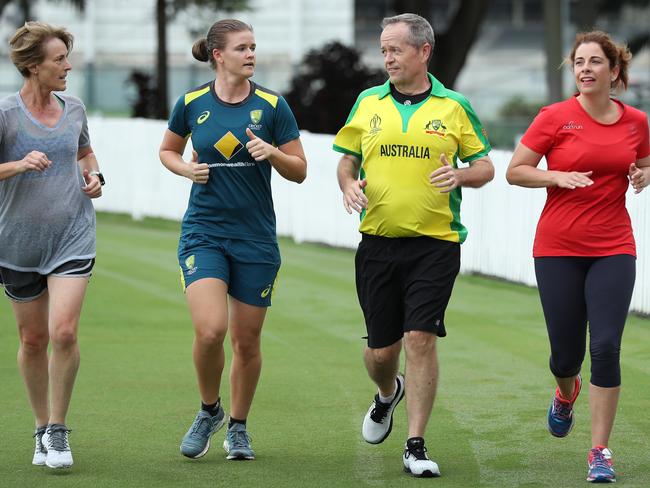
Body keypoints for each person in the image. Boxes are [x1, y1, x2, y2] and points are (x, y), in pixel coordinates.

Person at [333, 13, 493, 478]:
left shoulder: (454, 106)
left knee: (420, 338)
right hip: (377, 243)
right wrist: (346, 185)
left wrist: (460, 174)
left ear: (424, 51)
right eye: (383, 50)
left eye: (395, 50)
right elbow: (346, 161)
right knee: (382, 353)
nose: (387, 59)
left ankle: (415, 444)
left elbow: (485, 166)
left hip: (435, 244)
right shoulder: (367, 102)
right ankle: (387, 393)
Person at [159, 19, 306, 461]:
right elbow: (167, 150)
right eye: (242, 48)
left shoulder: (272, 105)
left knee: (246, 341)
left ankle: (238, 427)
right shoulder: (190, 103)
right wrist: (186, 168)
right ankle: (209, 410)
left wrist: (273, 153)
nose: (251, 55)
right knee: (210, 331)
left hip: (256, 238)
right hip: (204, 231)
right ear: (218, 54)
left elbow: (300, 170)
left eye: (254, 47)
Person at [506, 31, 649, 484]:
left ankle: (600, 451)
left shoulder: (637, 121)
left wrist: (642, 174)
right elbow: (515, 171)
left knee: (605, 346)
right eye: (578, 62)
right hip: (557, 248)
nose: (584, 68)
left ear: (614, 70)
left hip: (613, 246)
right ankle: (566, 393)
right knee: (565, 356)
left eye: (594, 62)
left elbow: (643, 161)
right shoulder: (555, 117)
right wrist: (557, 176)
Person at [0, 22, 104, 469]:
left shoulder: (74, 108)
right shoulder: (5, 114)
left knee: (64, 331)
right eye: (58, 59)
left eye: (67, 56)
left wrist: (96, 175)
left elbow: (84, 151)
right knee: (33, 337)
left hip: (72, 235)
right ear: (32, 65)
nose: (67, 66)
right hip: (18, 242)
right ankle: (41, 426)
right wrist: (19, 164)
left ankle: (59, 430)